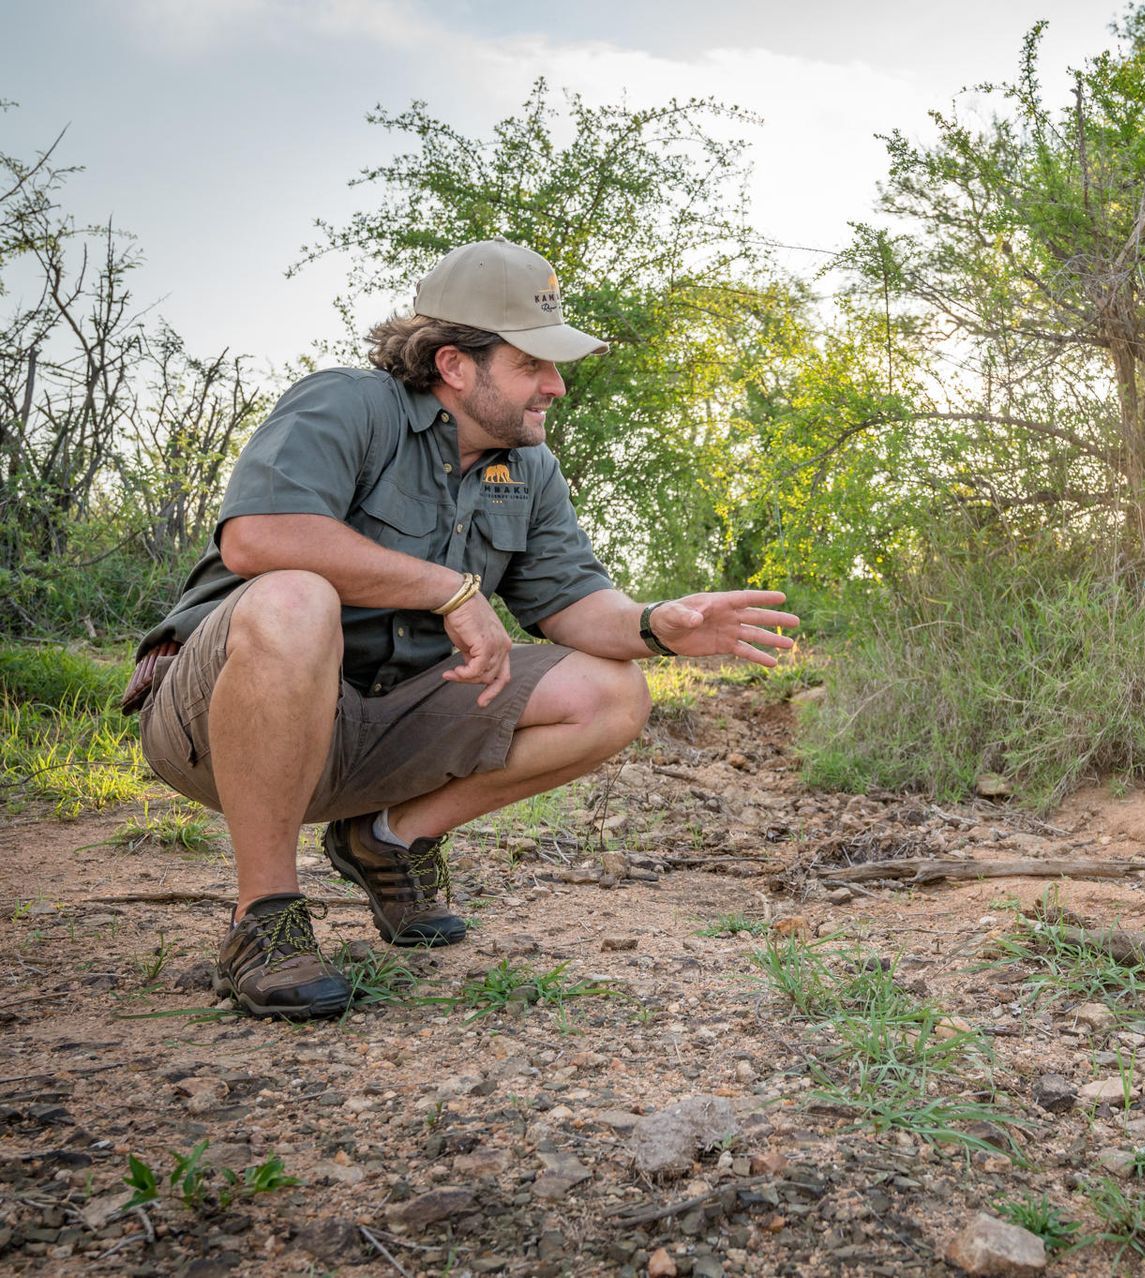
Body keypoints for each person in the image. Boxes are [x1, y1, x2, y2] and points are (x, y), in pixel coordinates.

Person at [124, 238, 799, 1019]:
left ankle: (385, 838)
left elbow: (575, 605)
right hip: (215, 725)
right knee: (294, 598)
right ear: (454, 365)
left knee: (611, 690)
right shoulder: (346, 403)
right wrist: (449, 589)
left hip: (377, 727)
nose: (556, 386)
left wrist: (658, 625)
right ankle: (265, 917)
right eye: (533, 365)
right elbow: (258, 537)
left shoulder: (531, 468)